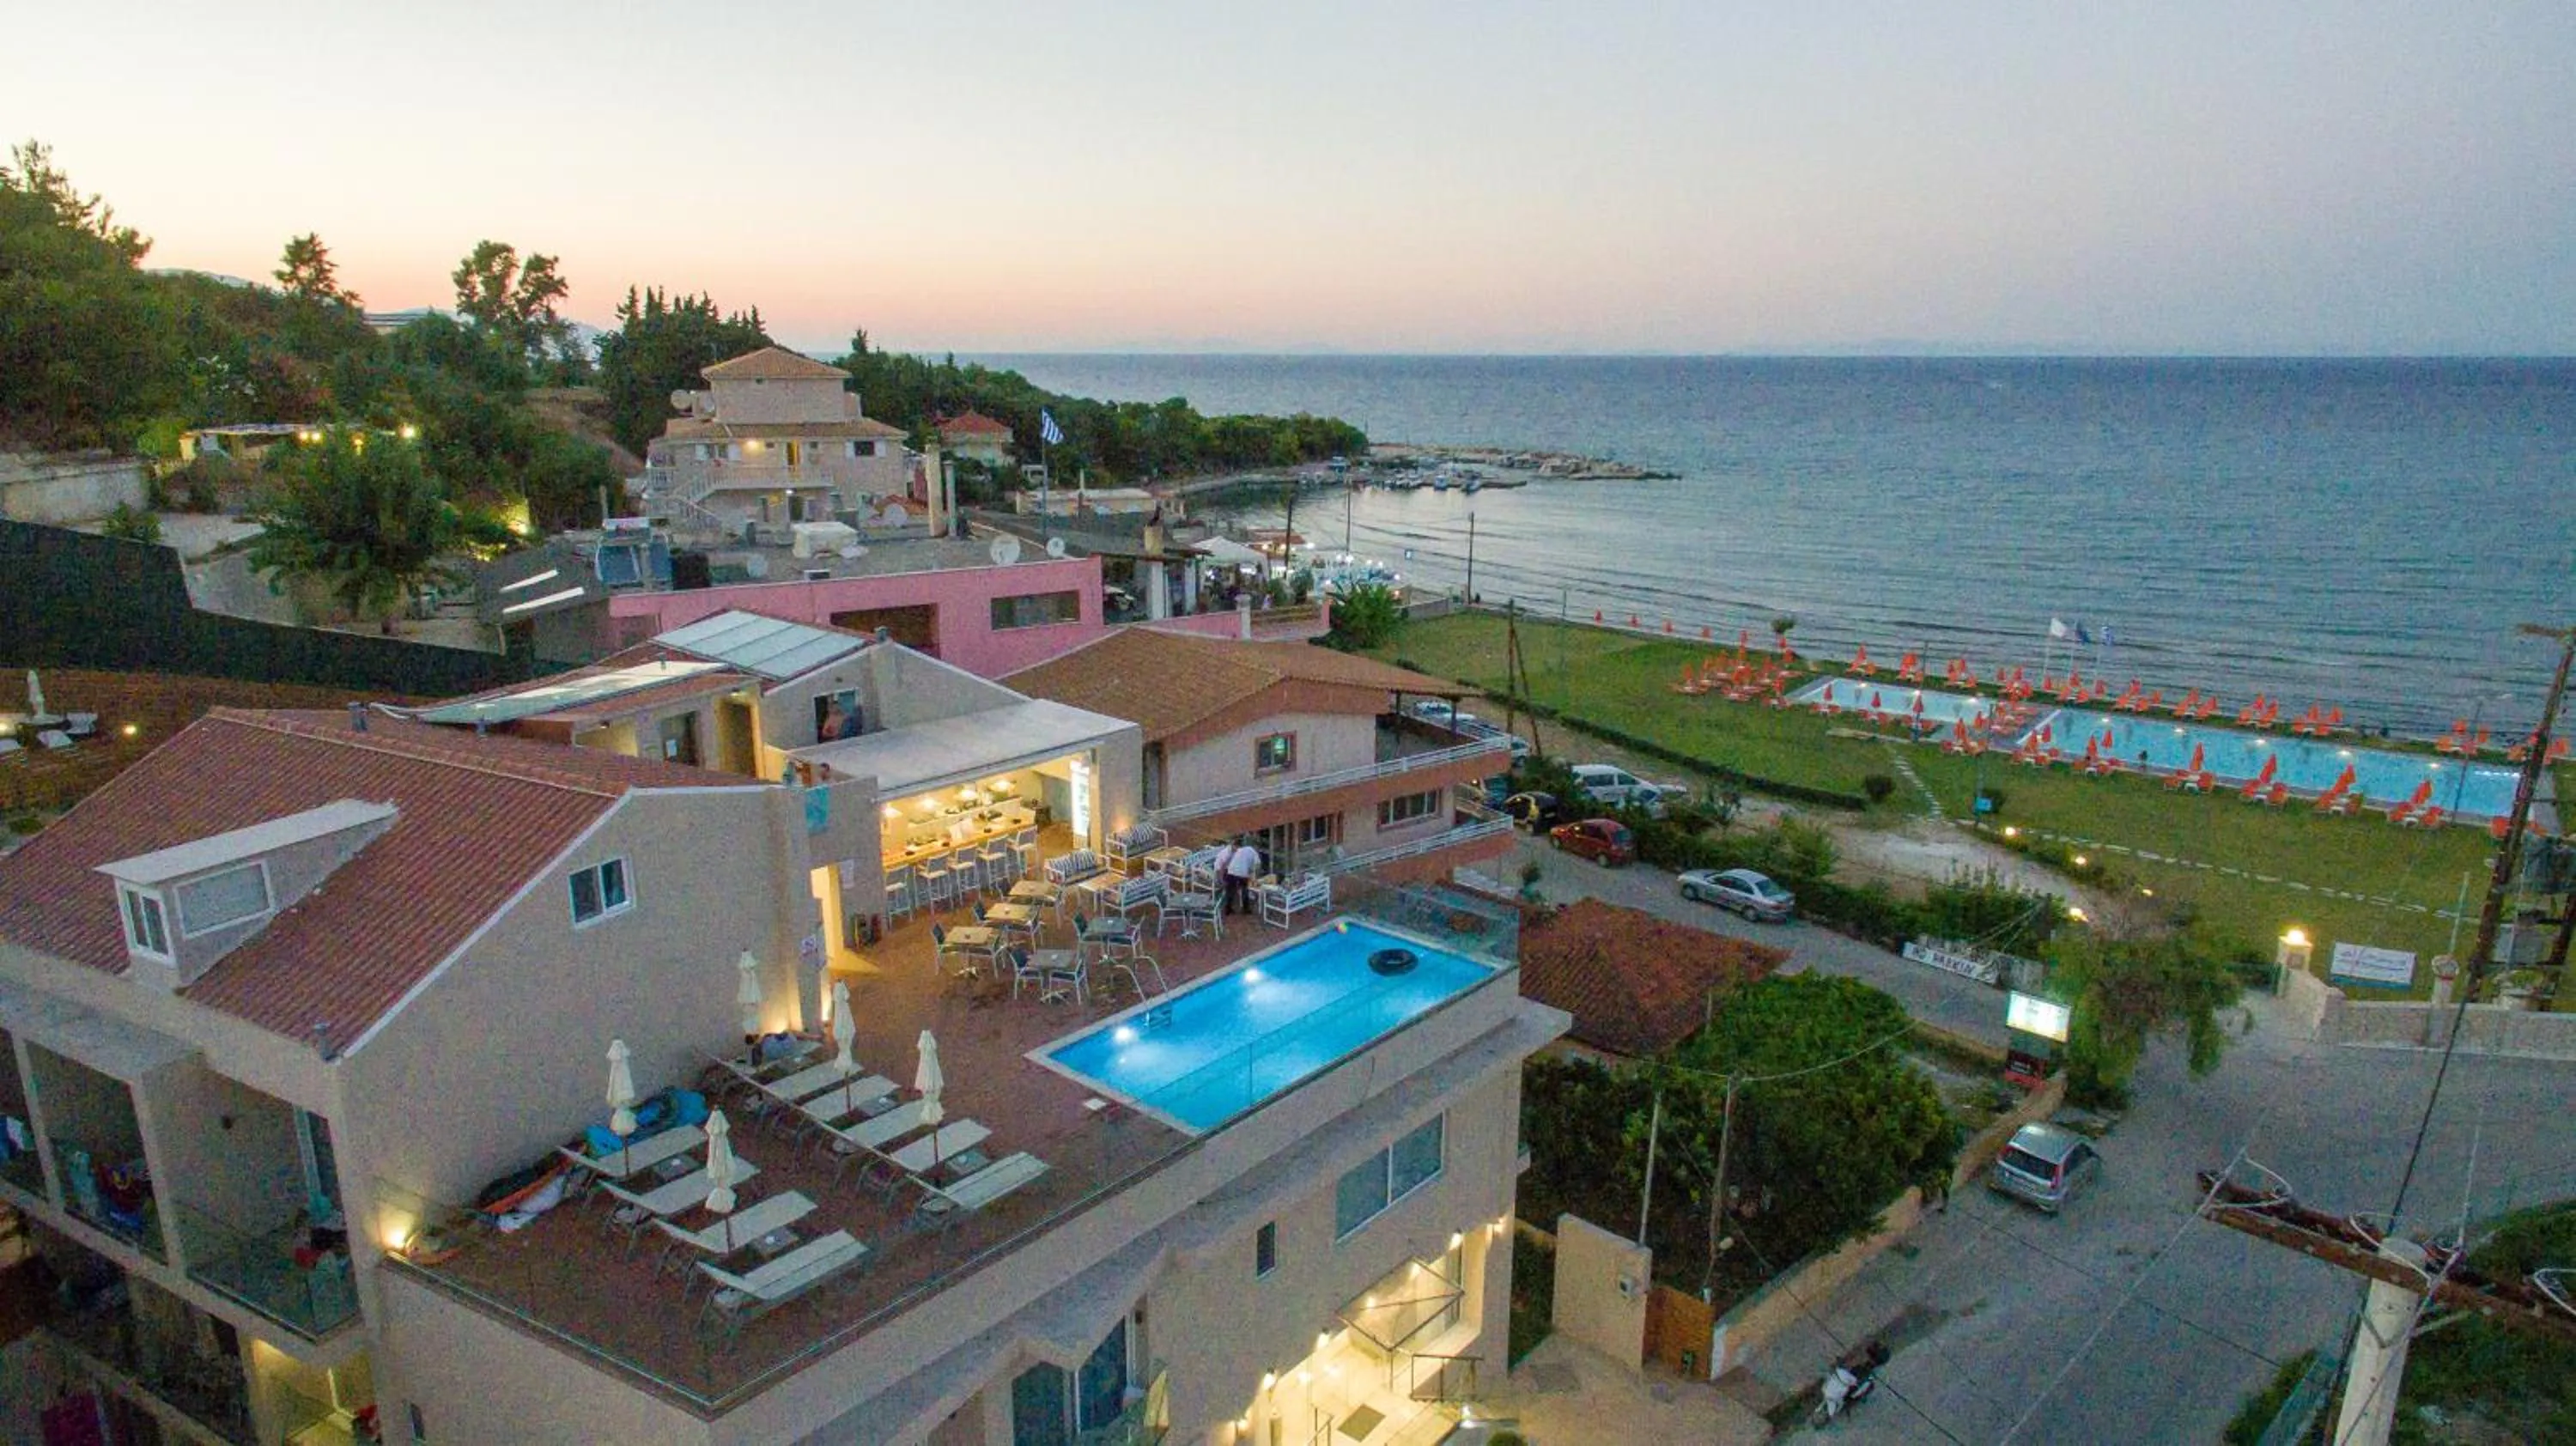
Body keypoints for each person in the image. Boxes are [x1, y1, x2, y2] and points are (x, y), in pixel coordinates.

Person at [1224, 837, 1261, 915]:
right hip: (1242, 873)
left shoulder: (1240, 850)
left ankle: (1228, 909)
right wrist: (1254, 875)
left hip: (1231, 871)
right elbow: (1257, 864)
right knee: (1244, 890)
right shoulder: (1253, 851)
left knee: (1230, 891)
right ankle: (1246, 909)